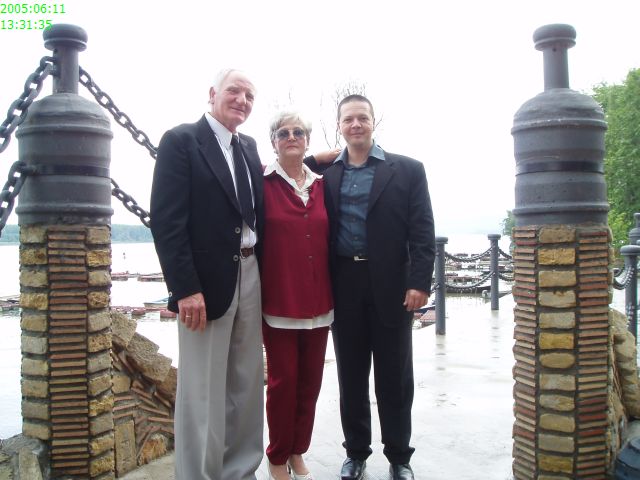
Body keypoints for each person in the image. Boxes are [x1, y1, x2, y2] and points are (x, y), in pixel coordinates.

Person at [306, 95, 436, 480]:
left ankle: (399, 457)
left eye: (362, 118)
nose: (356, 125)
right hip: (343, 284)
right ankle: (356, 453)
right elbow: (286, 168)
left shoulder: (408, 170)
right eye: (348, 119)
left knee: (395, 378)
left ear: (373, 122)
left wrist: (419, 283)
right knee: (351, 377)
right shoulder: (325, 175)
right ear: (340, 126)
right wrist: (322, 155)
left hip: (393, 286)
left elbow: (422, 231)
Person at [150, 69, 265, 480]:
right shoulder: (181, 141)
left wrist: (318, 158)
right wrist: (185, 288)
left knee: (247, 383)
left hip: (251, 272)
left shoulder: (248, 147)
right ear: (213, 93)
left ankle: (241, 471)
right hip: (203, 282)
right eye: (234, 91)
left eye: (249, 95)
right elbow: (167, 221)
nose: (242, 100)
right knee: (202, 389)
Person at [261, 111, 334, 480]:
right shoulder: (261, 183)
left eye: (298, 132)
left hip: (320, 302)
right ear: (273, 141)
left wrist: (321, 157)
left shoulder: (323, 185)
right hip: (279, 302)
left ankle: (297, 450)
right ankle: (277, 455)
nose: (291, 137)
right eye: (283, 133)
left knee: (310, 385)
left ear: (307, 140)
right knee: (282, 384)